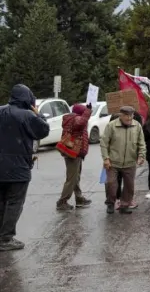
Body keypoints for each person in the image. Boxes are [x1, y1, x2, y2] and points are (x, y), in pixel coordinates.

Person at [0, 84, 50, 251]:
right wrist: (39, 114)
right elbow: (43, 130)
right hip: (18, 168)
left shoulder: (1, 111)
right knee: (14, 202)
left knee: (1, 201)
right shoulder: (28, 115)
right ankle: (6, 238)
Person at [100, 105, 146, 214]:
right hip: (113, 162)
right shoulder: (111, 125)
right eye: (126, 116)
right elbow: (104, 143)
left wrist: (141, 155)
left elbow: (141, 143)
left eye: (131, 116)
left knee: (129, 186)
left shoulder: (137, 125)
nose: (129, 118)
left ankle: (125, 205)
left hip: (130, 162)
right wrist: (106, 158)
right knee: (110, 184)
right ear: (121, 115)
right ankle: (110, 203)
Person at [55, 103, 93, 211]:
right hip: (73, 152)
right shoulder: (76, 119)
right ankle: (62, 201)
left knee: (75, 177)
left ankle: (79, 198)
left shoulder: (73, 118)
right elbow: (82, 122)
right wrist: (88, 111)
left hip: (76, 152)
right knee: (71, 178)